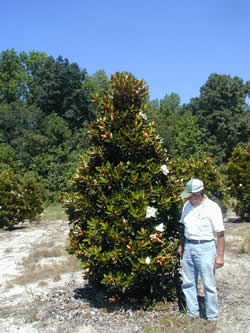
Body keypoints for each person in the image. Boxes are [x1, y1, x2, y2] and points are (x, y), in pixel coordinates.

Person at [177, 178, 225, 322]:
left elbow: (220, 234)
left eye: (192, 196)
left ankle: (211, 316)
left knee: (208, 284)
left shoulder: (212, 208)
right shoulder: (187, 206)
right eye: (188, 196)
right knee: (188, 282)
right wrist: (181, 245)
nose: (189, 198)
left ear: (199, 194)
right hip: (189, 246)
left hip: (206, 247)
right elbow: (183, 227)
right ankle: (193, 313)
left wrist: (220, 256)